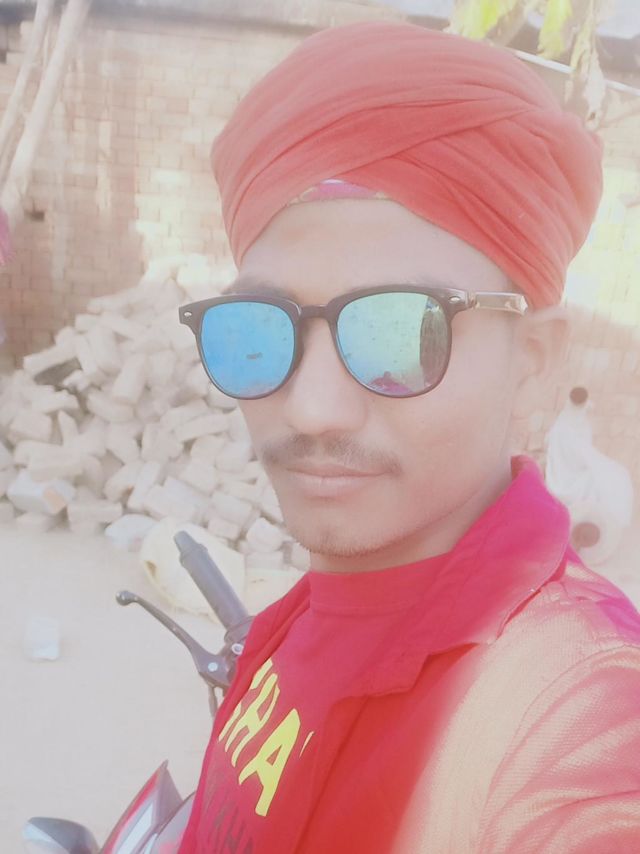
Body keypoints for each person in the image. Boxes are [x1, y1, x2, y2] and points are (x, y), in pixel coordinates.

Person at [177, 21, 640, 854]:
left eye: (401, 334)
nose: (312, 410)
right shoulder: (301, 615)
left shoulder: (566, 700)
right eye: (259, 329)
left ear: (533, 358)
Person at [545, 386, 635, 564]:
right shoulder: (566, 426)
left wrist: (593, 463)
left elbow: (582, 453)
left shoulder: (576, 422)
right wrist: (595, 463)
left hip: (577, 468)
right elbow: (576, 455)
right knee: (610, 476)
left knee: (614, 475)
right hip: (565, 476)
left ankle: (605, 523)